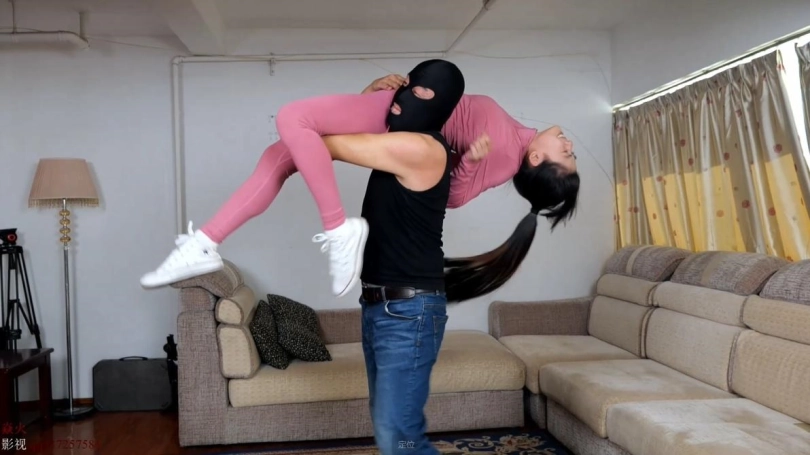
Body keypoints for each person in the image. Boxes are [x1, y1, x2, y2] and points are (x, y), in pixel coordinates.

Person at [140, 61, 579, 302]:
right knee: (280, 155)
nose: (569, 143)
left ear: (537, 159)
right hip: (395, 110)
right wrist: (378, 95)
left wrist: (467, 161)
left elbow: (455, 196)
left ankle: (338, 230)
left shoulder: (502, 157)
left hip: (403, 126)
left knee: (293, 118)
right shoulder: (513, 135)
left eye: (567, 154)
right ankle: (205, 243)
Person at [320, 59, 464, 455]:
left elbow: (326, 141)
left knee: (398, 437)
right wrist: (369, 97)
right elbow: (345, 134)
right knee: (393, 431)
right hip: (382, 305)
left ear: (439, 105)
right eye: (405, 85)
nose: (403, 96)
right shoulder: (402, 143)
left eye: (420, 92)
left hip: (408, 311)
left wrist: (365, 101)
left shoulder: (420, 147)